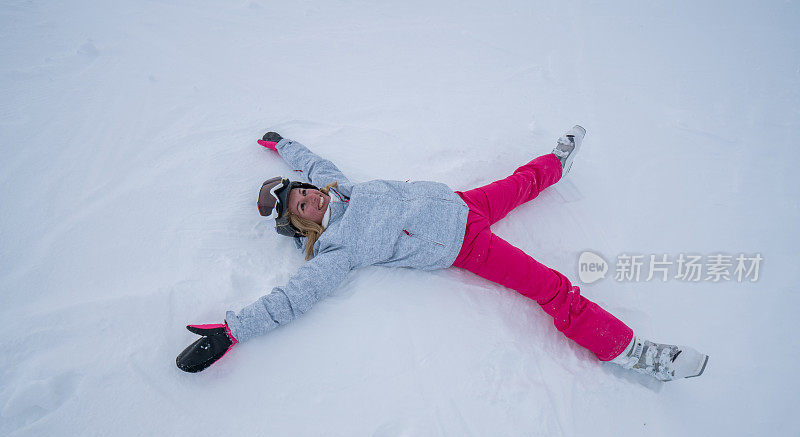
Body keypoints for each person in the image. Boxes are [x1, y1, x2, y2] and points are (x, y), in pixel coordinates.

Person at [177, 127, 709, 381]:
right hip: (465, 244)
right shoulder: (336, 250)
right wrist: (232, 330)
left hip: (460, 203)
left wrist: (281, 145)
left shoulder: (337, 186)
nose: (310, 196)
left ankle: (557, 164)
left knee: (521, 184)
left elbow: (312, 162)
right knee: (552, 288)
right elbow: (292, 298)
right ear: (302, 223)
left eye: (303, 190)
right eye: (301, 204)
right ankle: (635, 352)